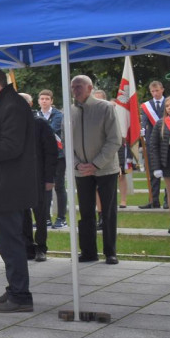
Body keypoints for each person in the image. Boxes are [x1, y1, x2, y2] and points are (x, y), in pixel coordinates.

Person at [0, 68, 39, 313]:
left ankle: (21, 295)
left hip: (9, 188)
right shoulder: (2, 104)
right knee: (7, 244)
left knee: (11, 244)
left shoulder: (12, 106)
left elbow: (11, 147)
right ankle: (15, 289)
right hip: (3, 187)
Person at [70, 75, 121, 264]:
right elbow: (66, 142)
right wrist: (77, 164)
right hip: (81, 170)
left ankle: (110, 252)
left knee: (107, 211)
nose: (75, 90)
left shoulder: (105, 108)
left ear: (90, 88)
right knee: (85, 212)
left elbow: (115, 139)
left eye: (79, 86)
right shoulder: (69, 111)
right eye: (73, 87)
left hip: (105, 169)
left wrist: (96, 164)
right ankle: (89, 251)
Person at [19, 93, 56, 262]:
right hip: (21, 178)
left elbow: (51, 152)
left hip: (39, 178)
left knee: (40, 215)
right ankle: (27, 247)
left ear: (30, 104)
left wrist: (50, 178)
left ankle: (41, 247)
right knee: (23, 215)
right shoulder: (14, 124)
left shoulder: (40, 123)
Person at [36, 90, 67, 228]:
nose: (44, 101)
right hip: (42, 157)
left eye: (47, 98)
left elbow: (51, 130)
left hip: (58, 156)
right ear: (38, 101)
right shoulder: (36, 114)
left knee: (59, 186)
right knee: (45, 187)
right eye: (42, 98)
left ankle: (61, 218)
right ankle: (45, 218)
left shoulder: (58, 115)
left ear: (51, 101)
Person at [147, 95, 170, 236]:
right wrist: (157, 167)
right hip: (169, 160)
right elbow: (154, 146)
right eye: (167, 105)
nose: (169, 107)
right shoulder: (161, 123)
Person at [140, 81, 167, 209]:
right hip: (152, 143)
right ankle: (153, 200)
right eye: (152, 91)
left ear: (162, 90)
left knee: (168, 172)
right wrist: (141, 130)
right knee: (152, 172)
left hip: (168, 142)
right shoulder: (147, 106)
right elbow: (144, 121)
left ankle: (168, 200)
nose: (155, 93)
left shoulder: (169, 102)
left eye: (157, 90)